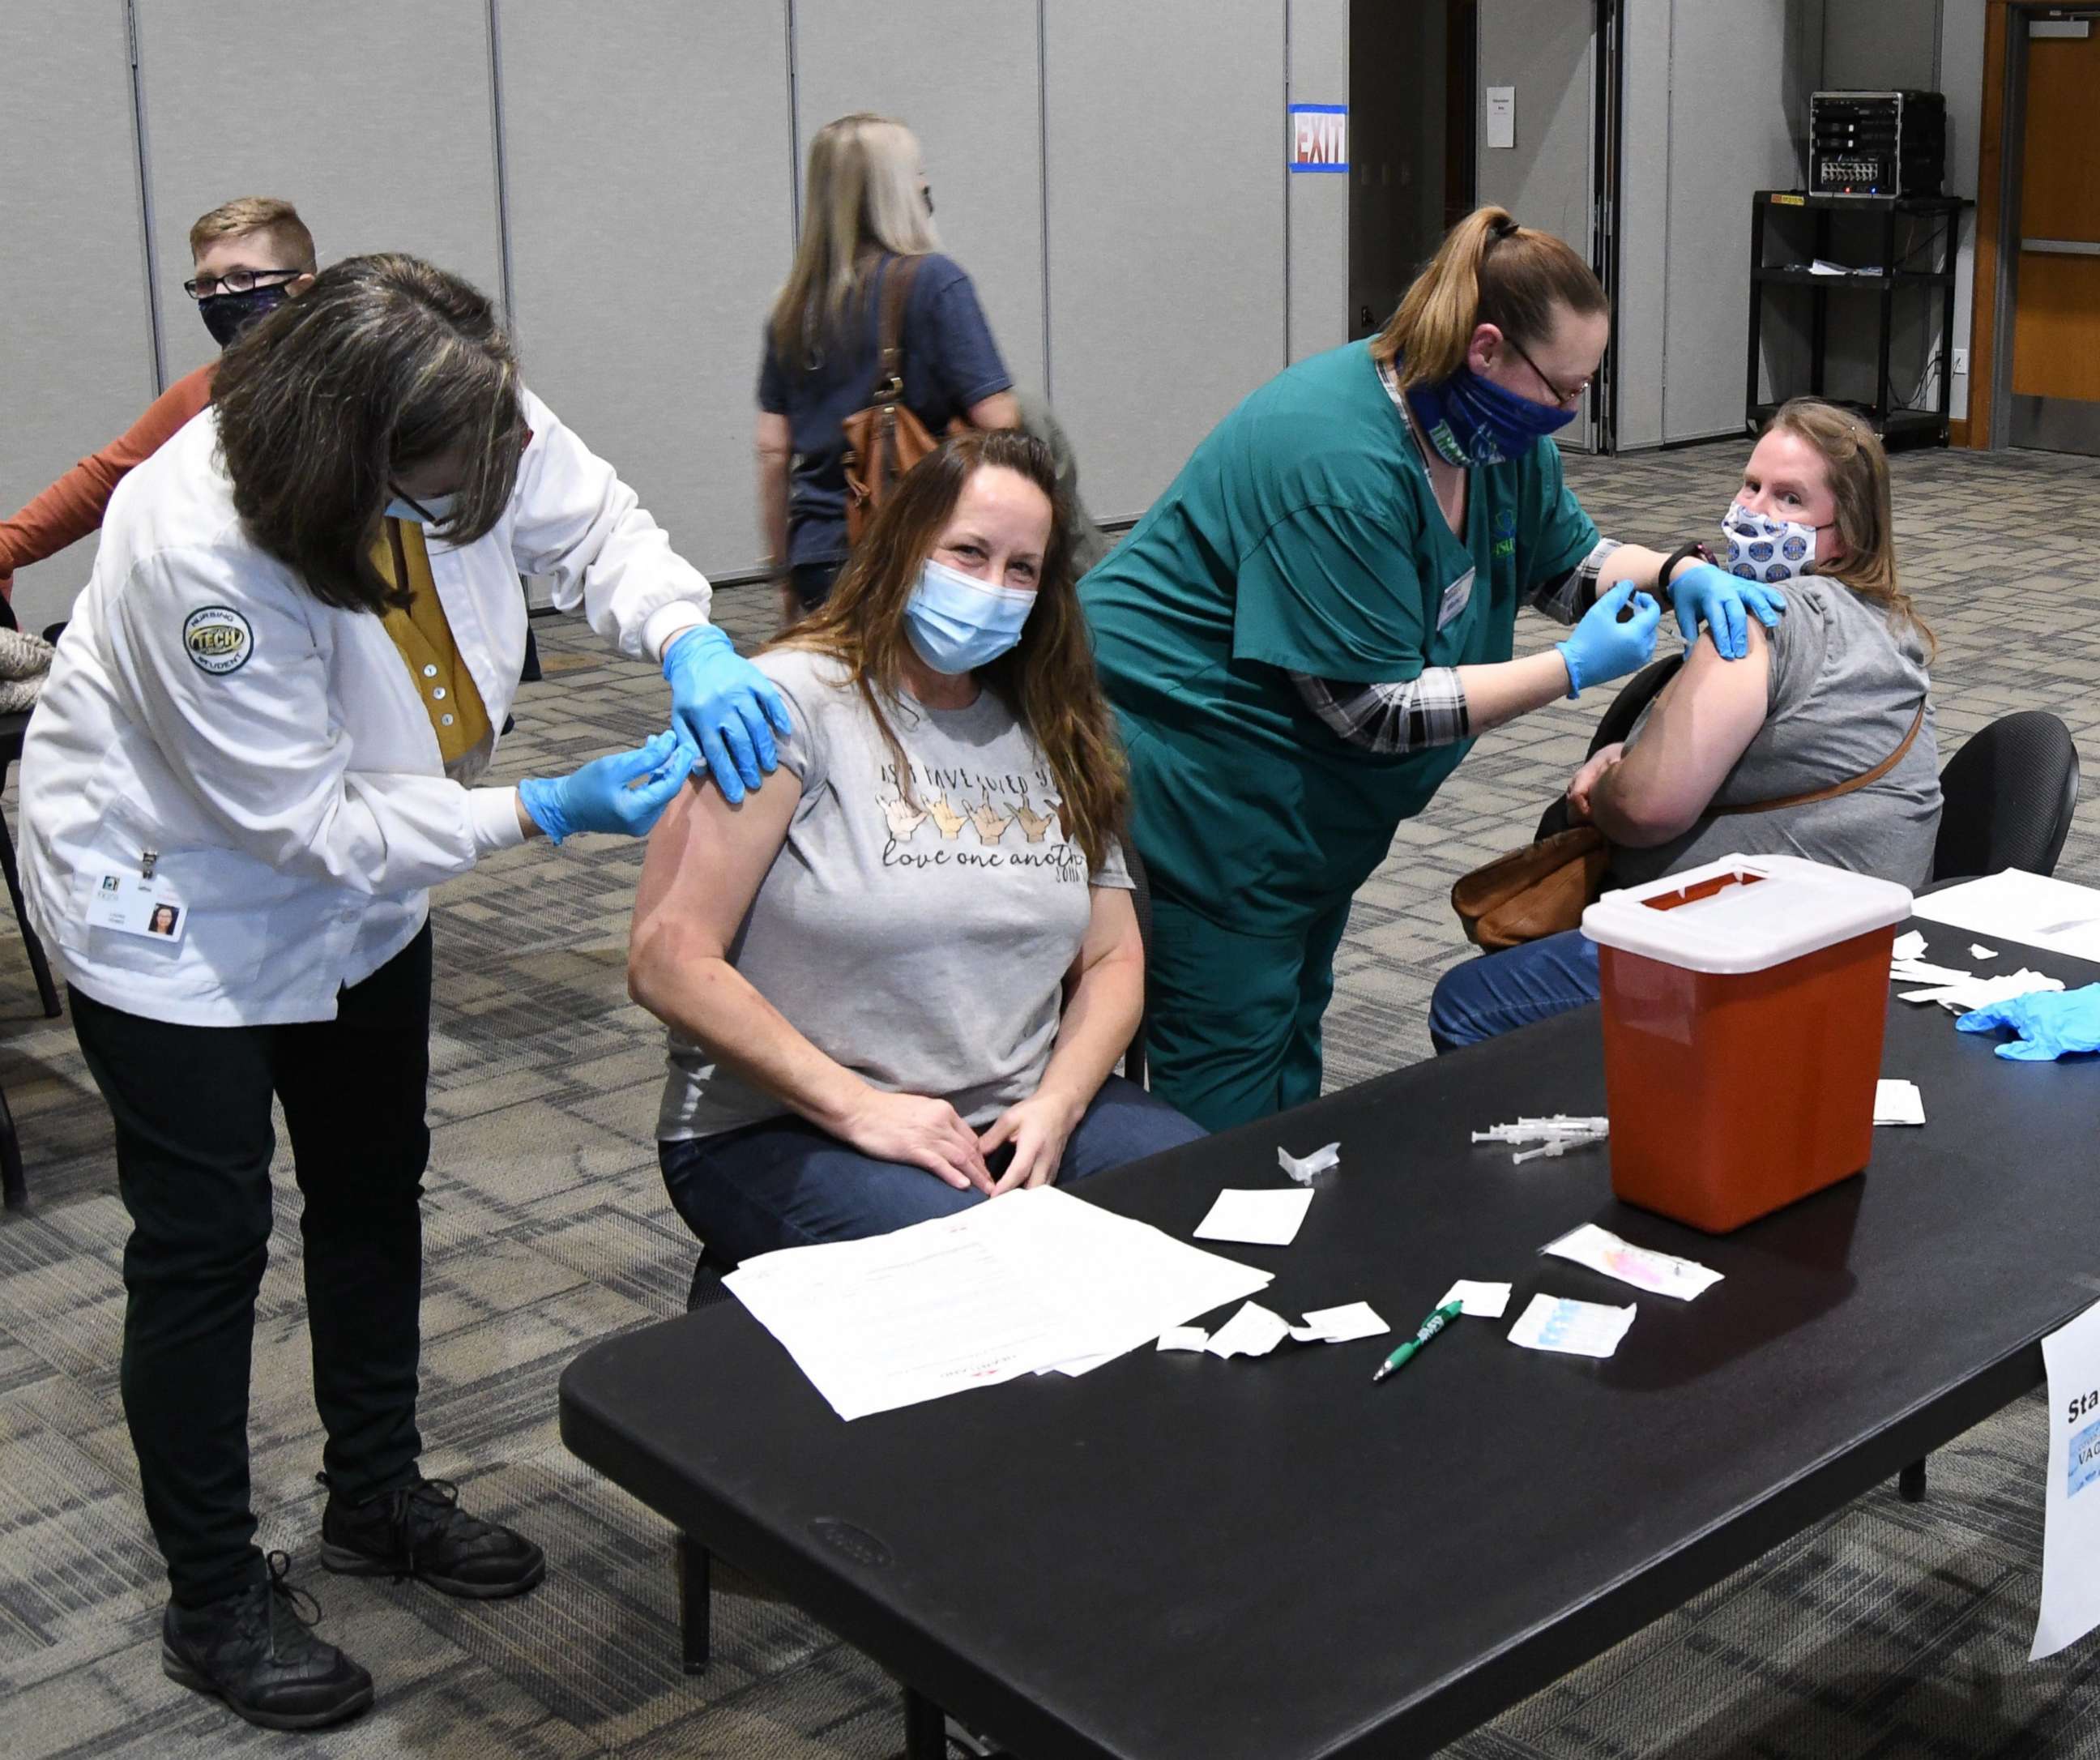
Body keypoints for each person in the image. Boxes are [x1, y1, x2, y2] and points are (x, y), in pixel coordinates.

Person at [19, 254, 791, 1733]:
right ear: (352, 462)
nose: (471, 507)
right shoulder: (199, 548)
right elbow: (300, 824)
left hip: (366, 877)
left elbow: (593, 525)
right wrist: (545, 808)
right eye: (436, 499)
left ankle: (375, 1491)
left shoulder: (446, 393)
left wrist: (687, 631)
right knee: (207, 1240)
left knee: (375, 1182)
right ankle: (211, 1591)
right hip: (178, 897)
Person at [1078, 206, 1789, 1132]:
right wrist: (1571, 669)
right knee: (1226, 1049)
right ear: (1487, 349)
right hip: (1206, 777)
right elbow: (1370, 711)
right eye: (1562, 388)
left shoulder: (1490, 436)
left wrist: (1670, 570)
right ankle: (1202, 1243)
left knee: (1292, 1011)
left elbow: (1561, 561)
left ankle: (1273, 1206)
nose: (1571, 411)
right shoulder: (1332, 454)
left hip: (1305, 803)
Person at [634, 429, 1203, 1262]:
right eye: (968, 554)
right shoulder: (789, 700)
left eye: (1022, 570)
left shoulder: (1058, 724)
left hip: (1009, 1111)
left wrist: (1060, 1103)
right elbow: (667, 956)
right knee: (988, 1272)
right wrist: (859, 1107)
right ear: (902, 550)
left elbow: (1115, 960)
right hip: (786, 1125)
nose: (994, 588)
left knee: (1211, 1199)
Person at [1428, 399, 1942, 1050]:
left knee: (1469, 1004)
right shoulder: (1884, 624)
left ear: (1844, 533)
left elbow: (1644, 809)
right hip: (1851, 933)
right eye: (1751, 485)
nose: (1754, 512)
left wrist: (1607, 781)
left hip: (1774, 953)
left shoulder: (1762, 618)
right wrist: (1627, 750)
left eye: (1789, 500)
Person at [758, 112, 1019, 626]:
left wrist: (783, 568)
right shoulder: (936, 282)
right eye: (917, 171)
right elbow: (999, 422)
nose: (926, 183)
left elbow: (771, 451)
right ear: (897, 190)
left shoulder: (792, 306)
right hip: (918, 546)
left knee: (845, 696)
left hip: (820, 553)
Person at [0, 196, 318, 604]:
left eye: (242, 279)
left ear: (302, 289)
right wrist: (8, 548)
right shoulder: (206, 391)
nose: (220, 296)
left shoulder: (355, 379)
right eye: (206, 283)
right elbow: (107, 477)